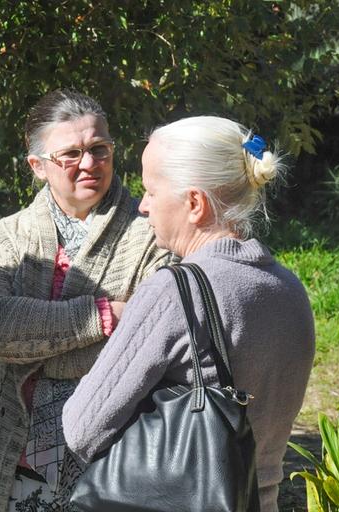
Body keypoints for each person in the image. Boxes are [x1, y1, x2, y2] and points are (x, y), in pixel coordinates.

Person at [63, 116, 316, 512]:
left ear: (194, 203)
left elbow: (81, 428)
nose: (143, 206)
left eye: (151, 191)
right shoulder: (289, 289)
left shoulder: (175, 292)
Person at [0, 90, 169, 511]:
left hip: (116, 456)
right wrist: (105, 315)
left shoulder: (154, 234)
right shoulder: (6, 237)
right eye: (71, 154)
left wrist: (37, 352)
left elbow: (153, 339)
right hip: (19, 454)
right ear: (37, 166)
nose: (90, 163)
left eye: (99, 149)